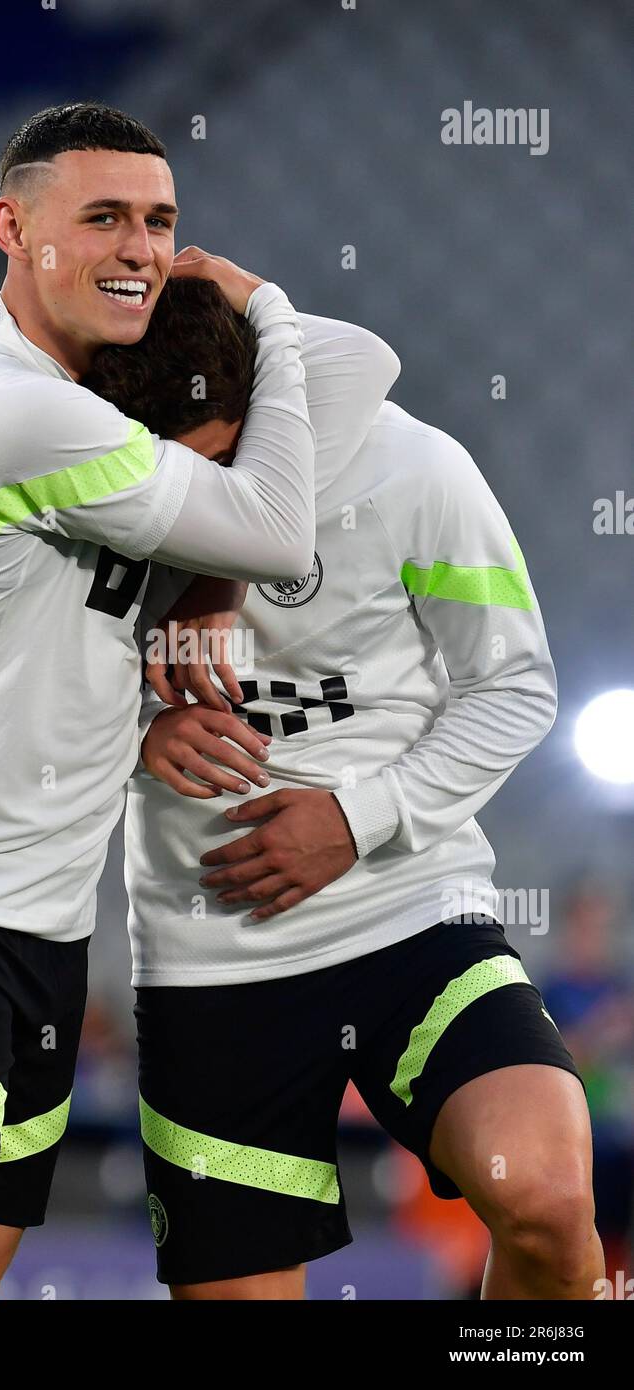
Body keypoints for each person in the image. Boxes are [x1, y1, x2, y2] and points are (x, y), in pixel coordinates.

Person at [0, 101, 399, 1301]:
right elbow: (281, 522)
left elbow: (366, 366)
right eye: (106, 218)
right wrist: (263, 307)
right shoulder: (9, 408)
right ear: (13, 228)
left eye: (162, 221)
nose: (141, 247)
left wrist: (157, 681)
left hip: (42, 932)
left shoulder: (113, 383)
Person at [85, 276, 602, 1300]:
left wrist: (356, 819)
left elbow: (514, 684)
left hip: (412, 919)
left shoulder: (415, 470)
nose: (199, 508)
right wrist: (137, 732)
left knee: (545, 1199)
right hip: (212, 961)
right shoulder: (91, 490)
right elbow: (9, 715)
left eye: (226, 466)